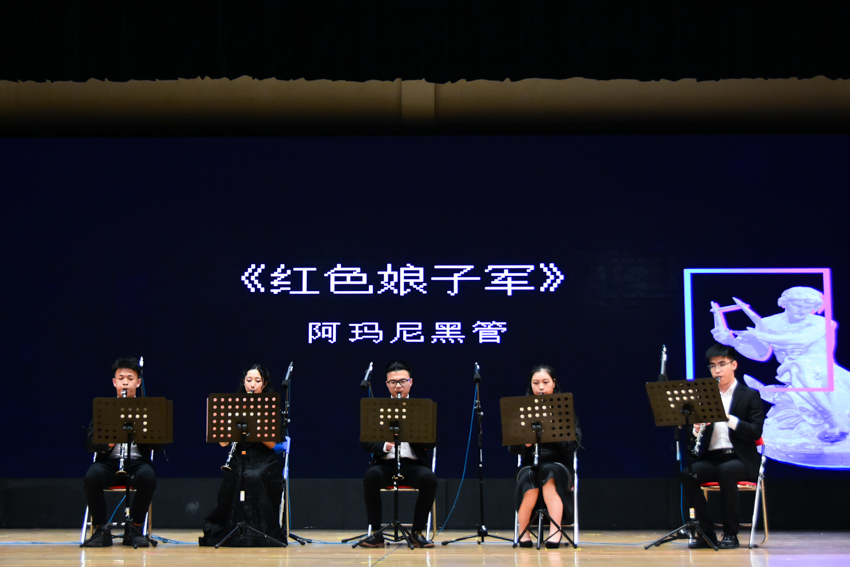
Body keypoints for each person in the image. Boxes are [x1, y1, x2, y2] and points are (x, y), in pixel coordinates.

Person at [712, 287, 850, 465]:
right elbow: (761, 354)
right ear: (785, 303)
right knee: (798, 369)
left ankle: (834, 421)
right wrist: (732, 341)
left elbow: (800, 340)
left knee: (800, 368)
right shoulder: (769, 323)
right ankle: (832, 422)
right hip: (791, 369)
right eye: (798, 305)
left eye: (809, 307)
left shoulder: (823, 323)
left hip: (822, 368)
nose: (803, 310)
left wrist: (759, 334)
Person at [682, 344, 765, 549]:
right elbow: (693, 437)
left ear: (734, 365)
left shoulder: (750, 395)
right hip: (712, 457)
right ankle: (706, 533)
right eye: (712, 366)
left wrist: (729, 419)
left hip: (740, 458)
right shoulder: (704, 397)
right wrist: (696, 429)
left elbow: (755, 431)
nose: (717, 370)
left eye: (722, 364)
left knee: (726, 471)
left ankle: (730, 534)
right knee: (688, 473)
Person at [199, 364, 286, 547]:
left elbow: (272, 444)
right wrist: (228, 431)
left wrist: (253, 426)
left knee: (254, 476)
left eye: (257, 381)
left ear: (264, 384)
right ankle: (233, 529)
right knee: (237, 475)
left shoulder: (270, 406)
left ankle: (258, 531)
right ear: (244, 383)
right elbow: (223, 443)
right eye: (249, 380)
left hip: (264, 458)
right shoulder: (235, 405)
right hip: (240, 455)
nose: (252, 384)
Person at [358, 361, 437, 548]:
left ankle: (417, 532)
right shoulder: (377, 409)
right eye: (393, 382)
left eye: (402, 381)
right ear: (387, 384)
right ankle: (376, 533)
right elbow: (366, 442)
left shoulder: (421, 409)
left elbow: (432, 442)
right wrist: (384, 446)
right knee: (371, 476)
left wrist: (411, 434)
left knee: (429, 479)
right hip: (386, 464)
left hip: (413, 465)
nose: (398, 386)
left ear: (411, 382)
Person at [82, 357, 160, 548]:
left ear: (138, 382)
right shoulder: (103, 409)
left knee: (148, 477)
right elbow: (90, 444)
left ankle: (134, 529)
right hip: (109, 463)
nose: (125, 382)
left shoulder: (147, 410)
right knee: (92, 477)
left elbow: (159, 445)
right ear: (114, 382)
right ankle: (101, 530)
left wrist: (142, 434)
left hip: (136, 463)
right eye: (121, 378)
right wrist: (109, 441)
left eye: (130, 378)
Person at [509, 365, 581, 548]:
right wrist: (525, 443)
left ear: (553, 383)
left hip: (559, 464)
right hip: (531, 463)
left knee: (549, 474)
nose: (540, 387)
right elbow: (513, 447)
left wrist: (552, 431)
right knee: (529, 476)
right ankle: (524, 533)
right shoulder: (523, 411)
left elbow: (572, 446)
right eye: (536, 383)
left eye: (545, 382)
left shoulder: (565, 411)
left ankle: (555, 532)